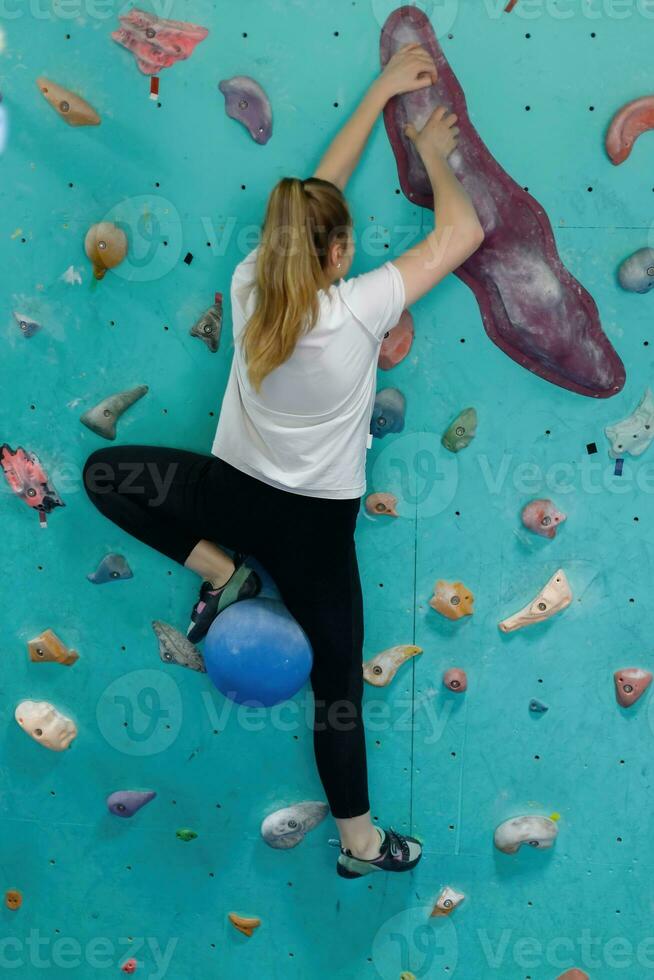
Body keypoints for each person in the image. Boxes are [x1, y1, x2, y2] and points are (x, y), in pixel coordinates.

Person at [83, 43, 483, 878]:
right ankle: (359, 842)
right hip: (314, 538)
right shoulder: (361, 308)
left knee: (104, 477)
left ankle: (219, 571)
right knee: (335, 688)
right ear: (339, 256)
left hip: (226, 500)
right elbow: (463, 231)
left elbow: (313, 199)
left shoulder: (250, 284)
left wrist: (376, 92)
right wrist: (436, 157)